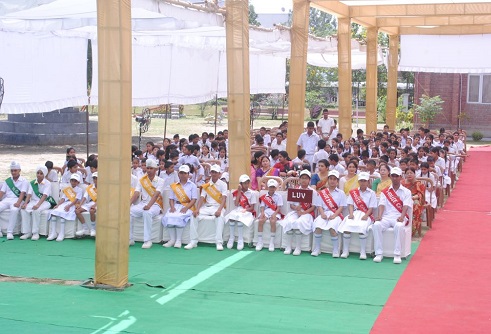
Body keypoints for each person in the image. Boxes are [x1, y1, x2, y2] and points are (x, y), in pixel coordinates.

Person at [372, 167, 413, 264]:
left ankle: (397, 254)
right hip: (386, 217)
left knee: (399, 226)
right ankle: (379, 253)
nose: (395, 178)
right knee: (376, 225)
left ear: (400, 177)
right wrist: (380, 216)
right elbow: (381, 204)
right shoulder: (385, 191)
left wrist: (402, 217)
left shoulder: (406, 192)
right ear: (390, 177)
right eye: (393, 176)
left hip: (398, 216)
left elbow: (405, 206)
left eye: (397, 176)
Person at [185, 164, 227, 251]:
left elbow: (224, 199)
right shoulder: (206, 185)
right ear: (210, 173)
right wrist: (197, 209)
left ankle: (218, 242)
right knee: (193, 215)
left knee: (220, 217)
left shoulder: (223, 184)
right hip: (207, 207)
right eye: (212, 172)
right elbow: (202, 198)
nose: (214, 174)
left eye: (216, 172)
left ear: (219, 174)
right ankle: (193, 241)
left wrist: (219, 210)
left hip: (218, 207)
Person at [338, 172, 377, 259]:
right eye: (361, 181)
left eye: (364, 181)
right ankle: (345, 251)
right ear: (358, 182)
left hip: (366, 213)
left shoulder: (372, 193)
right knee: (347, 225)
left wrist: (366, 215)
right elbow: (350, 205)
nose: (363, 182)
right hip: (355, 213)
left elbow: (371, 207)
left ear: (368, 182)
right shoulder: (353, 192)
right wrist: (351, 214)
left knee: (362, 226)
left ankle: (363, 252)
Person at [278, 170, 317, 256]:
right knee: (289, 221)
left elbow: (313, 207)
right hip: (295, 212)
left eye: (306, 178)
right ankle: (288, 247)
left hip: (307, 213)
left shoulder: (313, 192)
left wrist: (303, 212)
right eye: (302, 178)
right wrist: (296, 208)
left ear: (309, 180)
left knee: (299, 223)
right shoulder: (294, 191)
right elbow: (291, 205)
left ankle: (298, 247)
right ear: (299, 180)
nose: (304, 180)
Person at [129, 159, 164, 249]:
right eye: (147, 168)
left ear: (155, 169)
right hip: (143, 203)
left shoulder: (161, 181)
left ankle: (147, 240)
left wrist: (149, 206)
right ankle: (130, 238)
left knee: (147, 212)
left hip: (156, 205)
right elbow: (136, 193)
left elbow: (156, 195)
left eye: (151, 168)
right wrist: (128, 204)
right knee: (128, 211)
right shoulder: (142, 180)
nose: (148, 170)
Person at [311, 170, 346, 257]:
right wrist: (322, 214)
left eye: (334, 179)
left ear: (337, 181)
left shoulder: (341, 193)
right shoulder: (322, 192)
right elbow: (319, 205)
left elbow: (341, 207)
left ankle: (335, 250)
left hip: (336, 214)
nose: (332, 181)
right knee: (318, 227)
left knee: (332, 229)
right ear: (328, 180)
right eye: (330, 179)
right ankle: (317, 249)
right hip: (324, 213)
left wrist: (334, 215)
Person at [162, 165, 198, 248]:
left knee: (179, 217)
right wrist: (172, 207)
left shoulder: (192, 185)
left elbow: (194, 199)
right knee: (169, 216)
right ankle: (172, 240)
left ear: (188, 174)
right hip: (176, 205)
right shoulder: (174, 185)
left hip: (187, 206)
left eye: (185, 173)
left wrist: (186, 208)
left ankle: (178, 240)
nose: (183, 175)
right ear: (178, 174)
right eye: (181, 173)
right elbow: (171, 198)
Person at [20, 166, 56, 240]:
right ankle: (27, 232)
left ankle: (35, 233)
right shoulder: (32, 183)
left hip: (45, 202)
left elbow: (45, 196)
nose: (39, 175)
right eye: (38, 173)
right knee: (23, 210)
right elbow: (29, 194)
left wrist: (38, 205)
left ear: (44, 175)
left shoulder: (47, 183)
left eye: (41, 173)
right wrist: (25, 203)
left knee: (36, 210)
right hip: (33, 201)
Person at [225, 174, 257, 250]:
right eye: (244, 183)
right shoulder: (236, 192)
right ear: (240, 184)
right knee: (231, 217)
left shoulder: (252, 193)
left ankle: (240, 239)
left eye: (247, 183)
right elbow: (236, 204)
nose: (246, 185)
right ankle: (231, 238)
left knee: (240, 220)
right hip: (239, 209)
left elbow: (252, 207)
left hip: (248, 210)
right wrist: (239, 191)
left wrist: (246, 210)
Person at [47, 174, 83, 242]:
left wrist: (69, 206)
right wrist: (58, 205)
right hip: (65, 204)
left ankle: (62, 233)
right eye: (72, 180)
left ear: (78, 182)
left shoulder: (79, 190)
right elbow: (63, 198)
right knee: (54, 213)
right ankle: (53, 233)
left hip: (73, 205)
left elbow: (76, 200)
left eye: (75, 181)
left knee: (63, 214)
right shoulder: (67, 189)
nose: (73, 182)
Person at [0, 161, 28, 239]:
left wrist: (18, 203)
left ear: (19, 170)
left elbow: (22, 193)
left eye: (15, 170)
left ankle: (10, 232)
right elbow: (2, 192)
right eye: (12, 171)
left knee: (14, 210)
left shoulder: (24, 181)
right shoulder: (7, 181)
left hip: (18, 199)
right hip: (7, 199)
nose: (13, 172)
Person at [256, 179, 283, 252]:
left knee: (273, 221)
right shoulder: (265, 196)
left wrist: (274, 214)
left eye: (273, 187)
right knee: (261, 220)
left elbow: (279, 207)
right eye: (270, 187)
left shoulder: (279, 196)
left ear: (275, 188)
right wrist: (262, 213)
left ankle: (272, 242)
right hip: (266, 211)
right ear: (268, 187)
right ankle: (260, 241)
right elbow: (262, 207)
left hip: (275, 211)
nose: (271, 189)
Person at [401, 167, 425, 237]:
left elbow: (420, 194)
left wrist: (413, 198)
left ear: (414, 174)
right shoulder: (402, 183)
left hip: (414, 199)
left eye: (411, 173)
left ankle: (412, 230)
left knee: (416, 206)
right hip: (403, 199)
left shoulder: (419, 183)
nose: (409, 175)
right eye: (407, 173)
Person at [75, 172, 98, 237]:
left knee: (92, 210)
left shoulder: (103, 187)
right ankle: (85, 228)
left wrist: (94, 205)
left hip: (99, 204)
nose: (95, 180)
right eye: (94, 178)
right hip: (90, 203)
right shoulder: (89, 187)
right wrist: (80, 204)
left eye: (96, 178)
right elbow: (85, 197)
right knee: (77, 210)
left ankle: (93, 229)